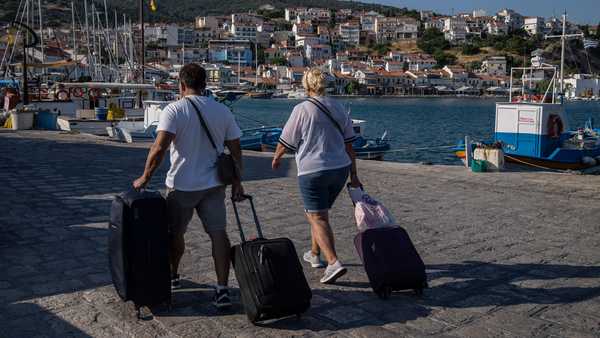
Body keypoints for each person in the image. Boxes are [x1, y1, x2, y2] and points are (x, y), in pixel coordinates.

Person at [133, 63, 244, 309]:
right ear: (204, 84)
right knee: (218, 235)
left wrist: (145, 177)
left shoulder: (174, 110)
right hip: (215, 184)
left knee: (175, 234)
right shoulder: (221, 111)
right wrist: (237, 182)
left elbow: (159, 148)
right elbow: (235, 149)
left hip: (182, 185)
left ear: (181, 85)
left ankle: (173, 276)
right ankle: (222, 288)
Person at [271, 68, 361, 284]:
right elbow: (350, 146)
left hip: (313, 171)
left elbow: (286, 140)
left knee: (317, 216)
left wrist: (276, 158)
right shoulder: (338, 107)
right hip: (340, 169)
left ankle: (333, 263)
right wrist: (354, 175)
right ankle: (314, 254)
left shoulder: (302, 109)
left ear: (306, 85)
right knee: (319, 214)